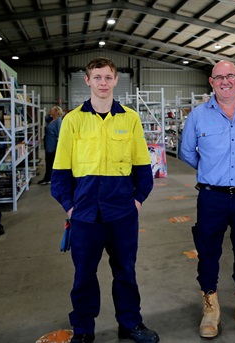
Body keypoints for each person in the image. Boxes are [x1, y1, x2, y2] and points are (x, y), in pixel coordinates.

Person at [51, 57, 159, 343]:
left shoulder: (130, 118)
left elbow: (142, 168)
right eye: (97, 77)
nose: (102, 83)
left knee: (125, 271)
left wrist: (137, 202)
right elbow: (60, 172)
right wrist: (70, 207)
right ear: (87, 80)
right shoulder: (72, 120)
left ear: (115, 81)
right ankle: (84, 329)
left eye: (107, 77)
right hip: (85, 214)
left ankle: (130, 324)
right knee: (84, 275)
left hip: (122, 212)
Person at [179, 60, 235, 338]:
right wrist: (211, 169)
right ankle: (211, 308)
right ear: (211, 82)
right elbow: (186, 153)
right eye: (219, 77)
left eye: (230, 76)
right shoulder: (197, 115)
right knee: (208, 253)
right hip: (211, 197)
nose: (225, 81)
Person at [38, 106, 63, 185]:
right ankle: (48, 178)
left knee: (50, 162)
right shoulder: (52, 120)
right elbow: (46, 117)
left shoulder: (58, 121)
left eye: (52, 109)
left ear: (56, 112)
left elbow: (59, 134)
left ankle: (48, 178)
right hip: (48, 144)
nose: (50, 110)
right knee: (48, 162)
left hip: (53, 145)